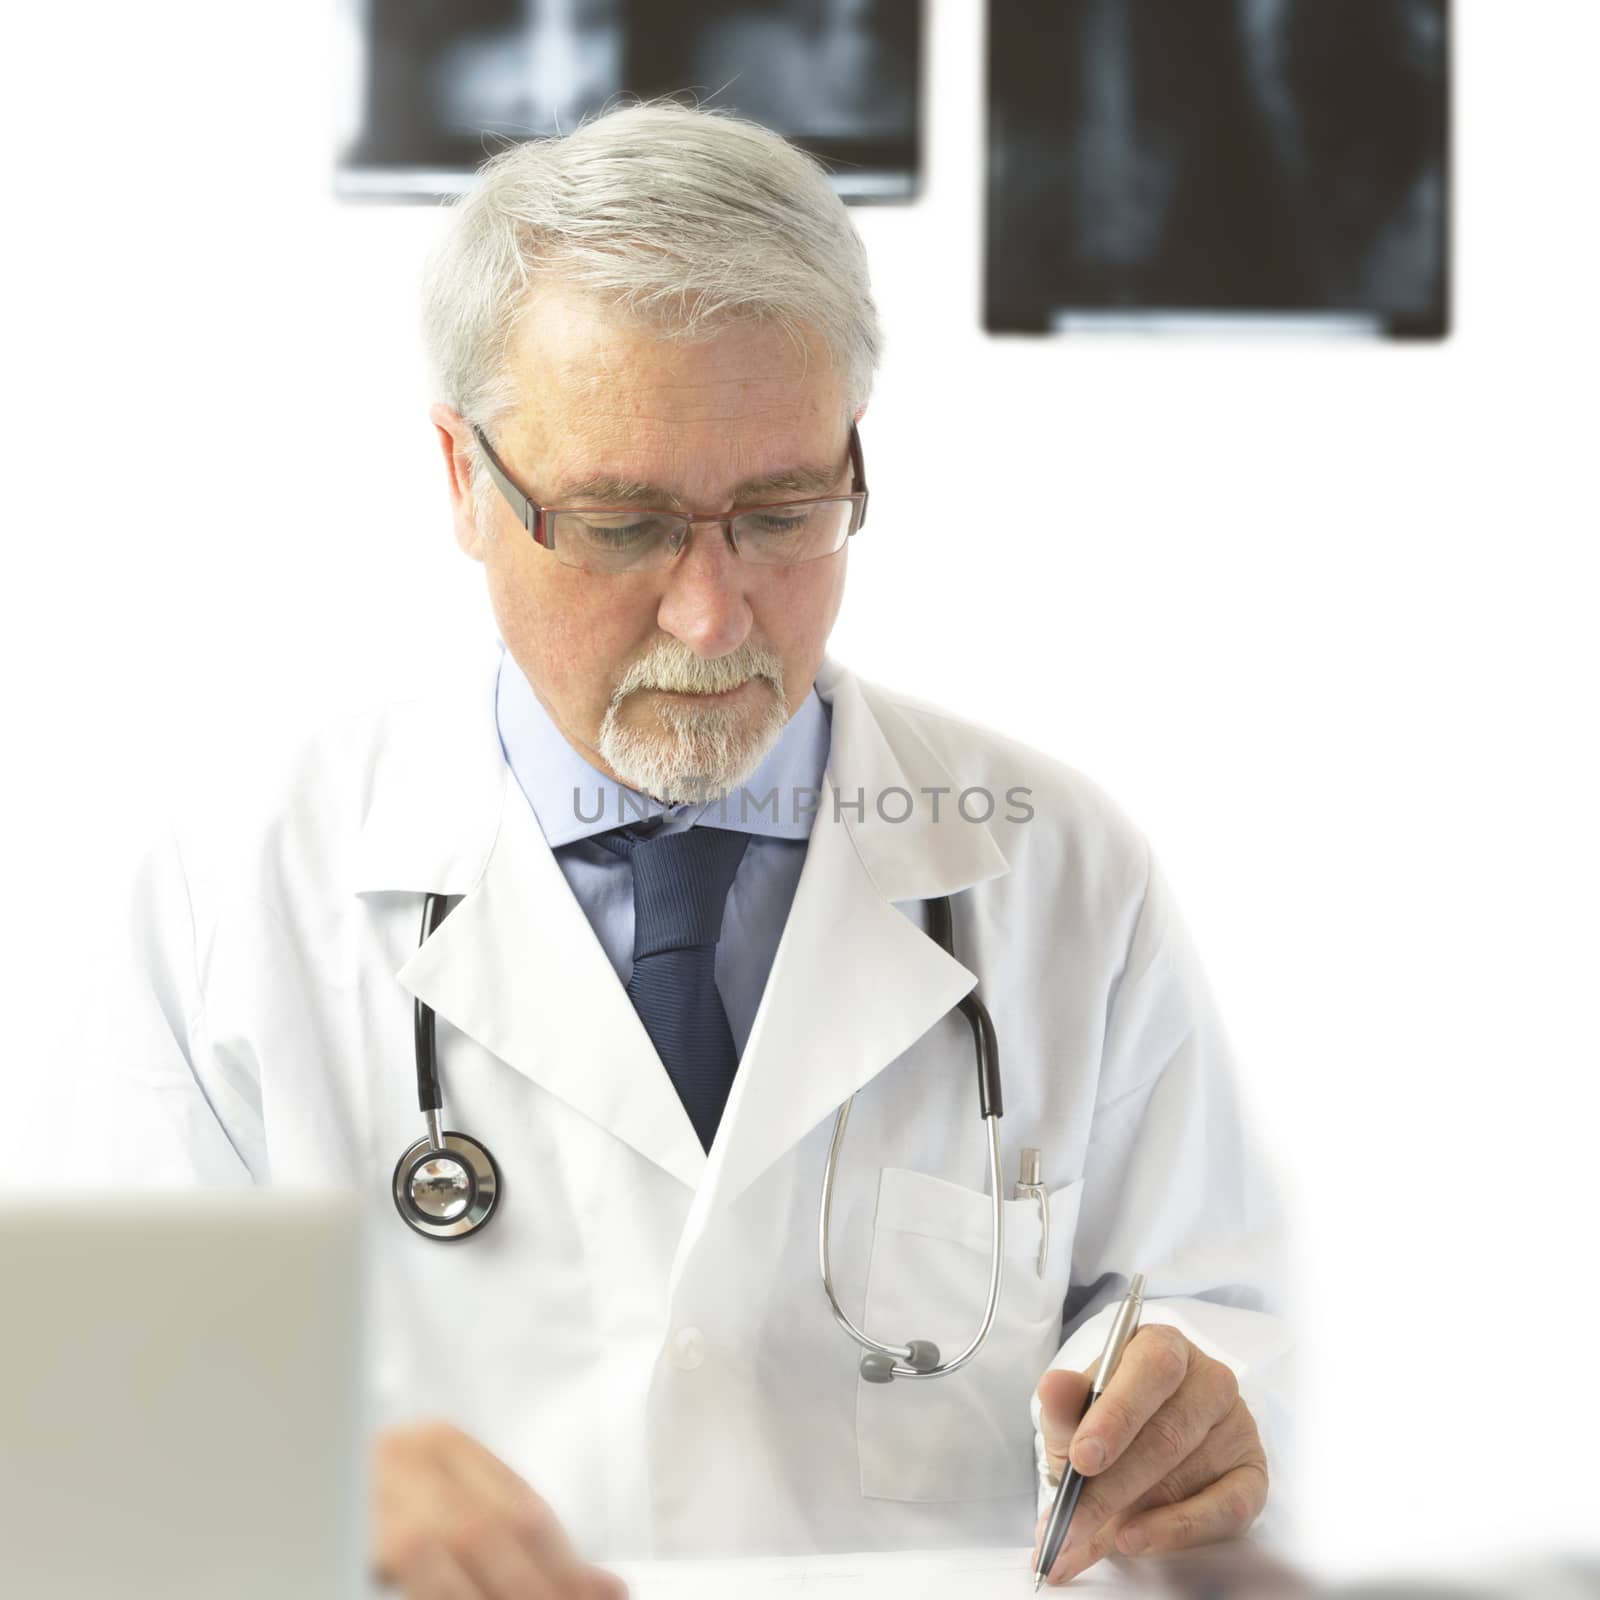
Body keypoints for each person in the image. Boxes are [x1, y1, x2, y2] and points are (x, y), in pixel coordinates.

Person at [91, 102, 1287, 1598]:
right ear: (463, 479)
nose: (713, 618)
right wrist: (289, 1473)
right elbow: (99, 1436)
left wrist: (1203, 1398)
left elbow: (1215, 1309)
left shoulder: (1057, 869)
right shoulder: (237, 890)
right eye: (620, 524)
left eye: (783, 514)